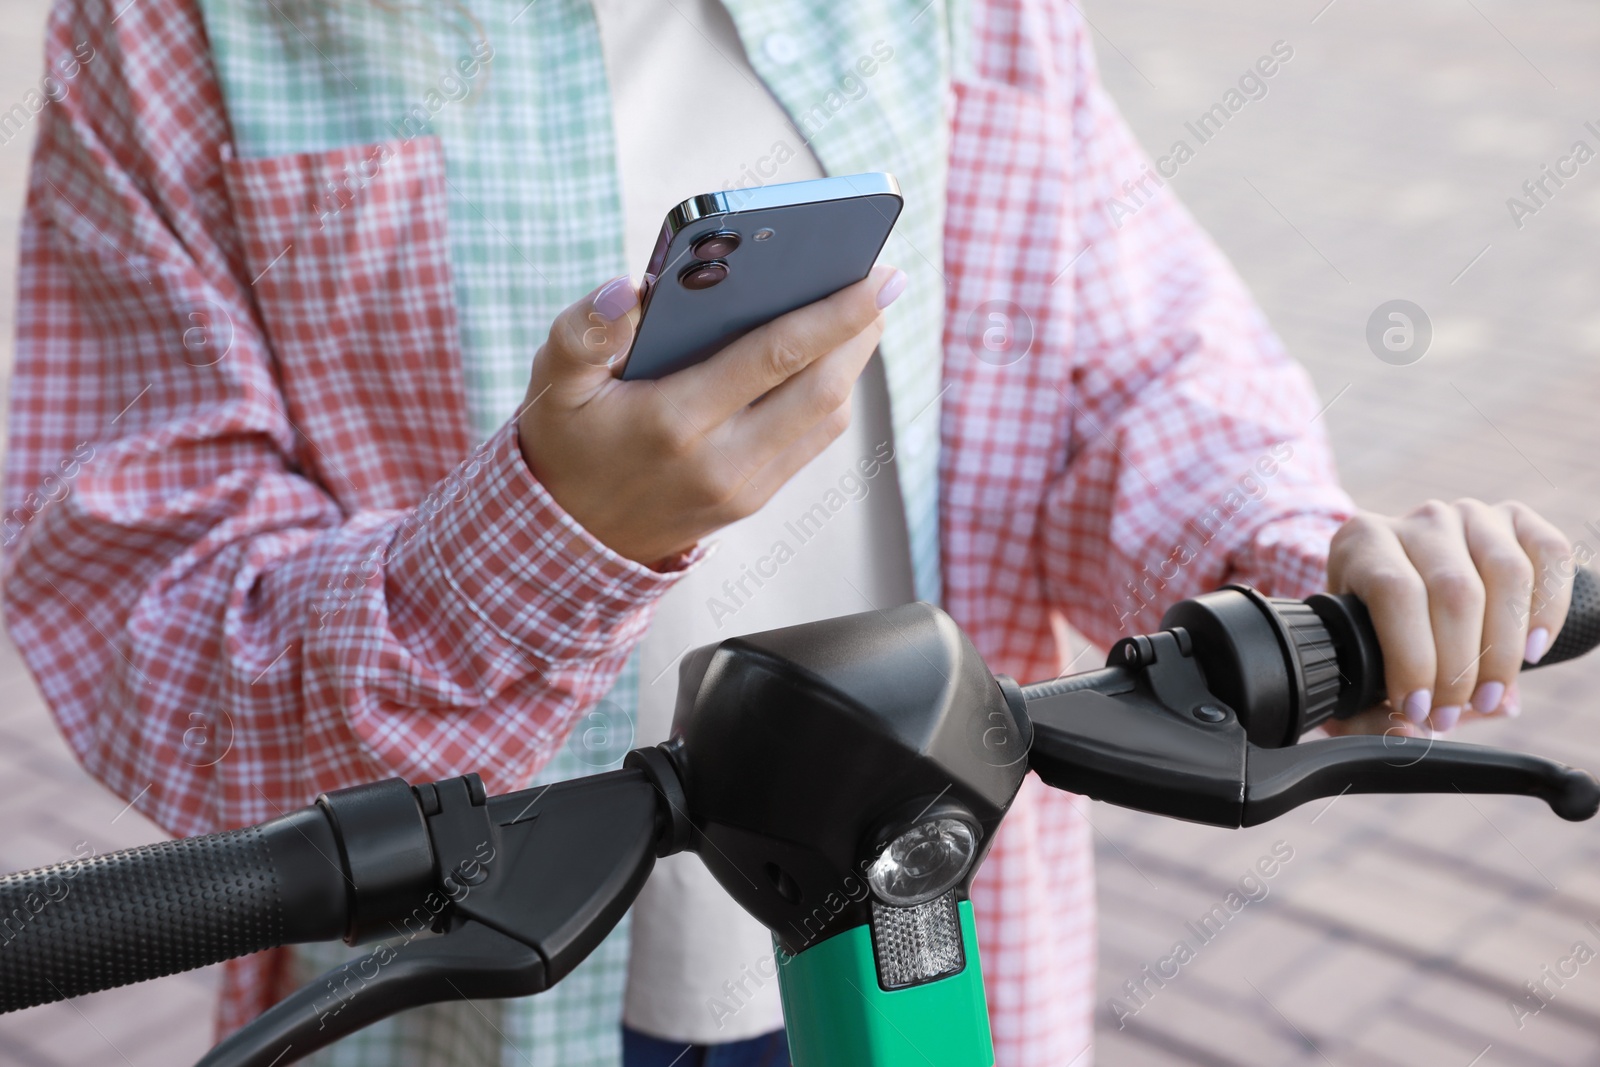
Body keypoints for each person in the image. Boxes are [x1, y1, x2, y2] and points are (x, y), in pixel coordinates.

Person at [0, 0, 1574, 1063]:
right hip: (462, 1009)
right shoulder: (174, 28)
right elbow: (141, 602)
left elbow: (1120, 362)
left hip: (938, 958)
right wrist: (555, 534)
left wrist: (1295, 556)